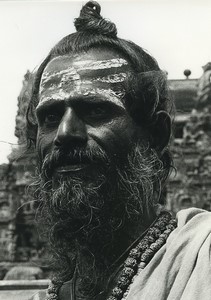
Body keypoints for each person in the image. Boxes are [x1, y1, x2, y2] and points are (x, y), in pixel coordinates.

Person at [27, 2, 211, 299]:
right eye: (50, 116)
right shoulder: (54, 292)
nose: (64, 133)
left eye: (96, 110)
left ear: (155, 136)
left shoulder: (200, 260)